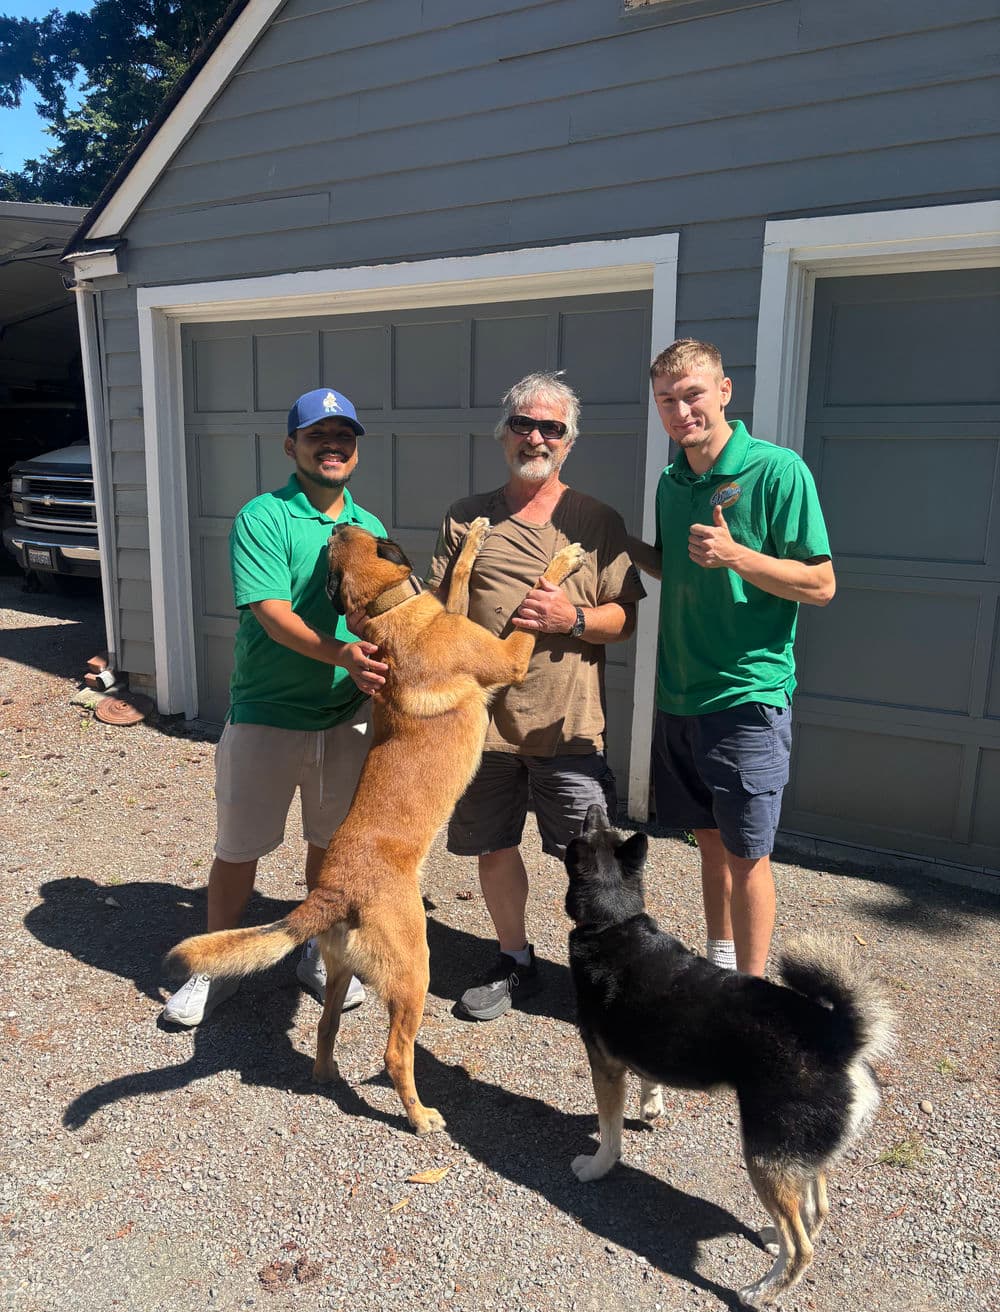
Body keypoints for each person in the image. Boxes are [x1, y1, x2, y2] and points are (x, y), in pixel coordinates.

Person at [162, 388, 389, 1026]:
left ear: (355, 449)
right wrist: (344, 654)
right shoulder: (263, 517)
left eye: (343, 435)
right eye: (318, 435)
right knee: (239, 848)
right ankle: (212, 967)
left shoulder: (370, 530)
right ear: (292, 446)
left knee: (329, 845)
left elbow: (380, 615)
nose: (332, 445)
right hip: (265, 712)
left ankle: (317, 949)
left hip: (344, 718)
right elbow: (270, 612)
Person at [427, 371, 645, 1021]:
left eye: (553, 427)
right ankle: (515, 959)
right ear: (504, 433)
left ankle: (613, 975)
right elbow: (440, 611)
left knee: (592, 861)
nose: (537, 436)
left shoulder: (596, 521)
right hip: (482, 725)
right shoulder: (466, 517)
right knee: (494, 847)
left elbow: (624, 618)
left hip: (568, 725)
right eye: (525, 423)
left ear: (570, 442)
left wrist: (571, 618)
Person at [628, 339, 835, 977]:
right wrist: (622, 544)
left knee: (748, 855)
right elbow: (678, 566)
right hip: (678, 693)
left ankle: (750, 996)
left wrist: (738, 554)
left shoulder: (777, 471)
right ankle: (719, 963)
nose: (681, 410)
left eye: (693, 393)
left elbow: (821, 584)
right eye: (667, 400)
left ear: (724, 391)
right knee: (708, 843)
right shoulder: (672, 481)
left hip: (746, 697)